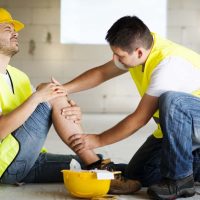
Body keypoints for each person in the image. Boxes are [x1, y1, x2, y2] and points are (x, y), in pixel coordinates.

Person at [63, 15, 200, 199]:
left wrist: (98, 139)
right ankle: (193, 165)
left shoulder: (168, 65)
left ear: (139, 52)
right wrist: (64, 88)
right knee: (138, 174)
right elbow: (101, 73)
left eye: (119, 55)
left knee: (173, 101)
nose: (115, 59)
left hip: (194, 119)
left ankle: (181, 179)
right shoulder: (141, 48)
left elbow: (139, 119)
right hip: (184, 130)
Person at [0, 8, 123, 185]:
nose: (16, 33)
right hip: (6, 165)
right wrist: (41, 97)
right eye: (7, 29)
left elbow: (33, 114)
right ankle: (95, 163)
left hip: (29, 159)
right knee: (50, 90)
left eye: (15, 29)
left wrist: (71, 113)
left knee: (99, 167)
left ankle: (104, 166)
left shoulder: (19, 76)